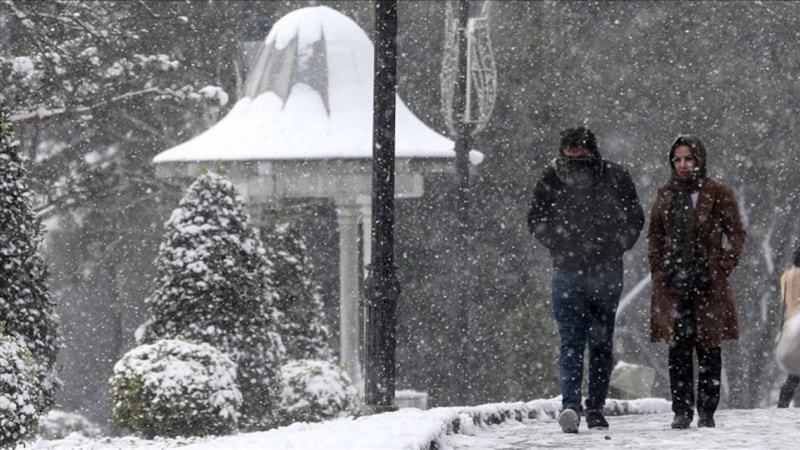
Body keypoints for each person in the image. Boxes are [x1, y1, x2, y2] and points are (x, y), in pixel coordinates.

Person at [527, 126, 644, 433]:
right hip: (572, 270)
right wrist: (560, 244)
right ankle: (574, 405)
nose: (576, 163)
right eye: (571, 156)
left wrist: (614, 246)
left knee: (593, 343)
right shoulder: (553, 178)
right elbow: (536, 219)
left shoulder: (615, 177)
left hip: (600, 270)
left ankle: (591, 407)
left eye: (581, 156)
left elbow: (634, 218)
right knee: (578, 341)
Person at [647, 135, 746, 429]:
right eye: (677, 159)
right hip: (674, 283)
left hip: (708, 283)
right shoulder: (665, 193)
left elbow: (737, 234)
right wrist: (660, 270)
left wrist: (721, 267)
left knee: (709, 347)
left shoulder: (718, 192)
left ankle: (707, 411)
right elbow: (655, 235)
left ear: (699, 159)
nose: (683, 165)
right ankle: (681, 411)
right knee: (678, 348)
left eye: (688, 158)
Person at [777, 244, 800, 408]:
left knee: (794, 372)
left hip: (791, 325)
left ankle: (783, 404)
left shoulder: (787, 276)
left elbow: (785, 303)